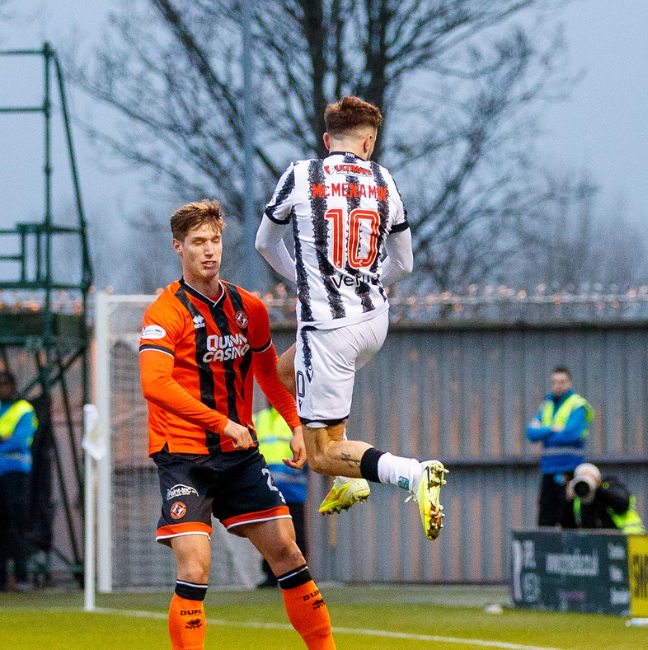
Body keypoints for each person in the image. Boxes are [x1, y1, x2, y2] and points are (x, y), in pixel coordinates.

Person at [140, 200, 334, 649]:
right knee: (194, 567)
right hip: (184, 457)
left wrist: (296, 423)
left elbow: (269, 372)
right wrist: (222, 423)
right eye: (197, 242)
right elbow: (155, 384)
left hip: (239, 458)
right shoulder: (164, 312)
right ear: (178, 247)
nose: (209, 251)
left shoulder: (249, 307)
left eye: (215, 240)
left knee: (288, 550)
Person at [255, 95, 446, 540]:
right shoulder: (384, 179)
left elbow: (266, 243)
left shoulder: (302, 174)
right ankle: (351, 475)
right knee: (281, 371)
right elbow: (405, 264)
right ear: (368, 142)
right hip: (373, 320)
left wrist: (304, 279)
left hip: (329, 330)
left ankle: (412, 474)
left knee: (322, 454)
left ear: (327, 139)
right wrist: (361, 281)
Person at [525, 367, 592, 527]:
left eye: (562, 382)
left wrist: (544, 432)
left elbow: (570, 434)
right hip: (549, 469)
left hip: (569, 470)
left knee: (568, 516)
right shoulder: (547, 405)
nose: (558, 386)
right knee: (545, 518)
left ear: (570, 383)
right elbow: (530, 433)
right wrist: (552, 429)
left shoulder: (578, 405)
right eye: (555, 382)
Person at [254, 406, 308, 588]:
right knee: (269, 533)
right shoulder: (259, 419)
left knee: (295, 532)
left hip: (292, 488)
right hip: (267, 487)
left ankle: (299, 572)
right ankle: (271, 574)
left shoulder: (296, 420)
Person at [0, 370, 35, 592]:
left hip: (16, 474)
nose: (2, 388)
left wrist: (6, 440)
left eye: (5, 384)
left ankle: (21, 576)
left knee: (16, 524)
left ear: (13, 385)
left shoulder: (24, 409)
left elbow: (20, 441)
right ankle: (2, 579)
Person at [560, 463, 645, 534]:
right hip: (595, 544)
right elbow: (567, 526)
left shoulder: (609, 486)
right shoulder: (578, 499)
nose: (584, 486)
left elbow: (622, 505)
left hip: (627, 539)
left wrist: (597, 489)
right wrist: (568, 500)